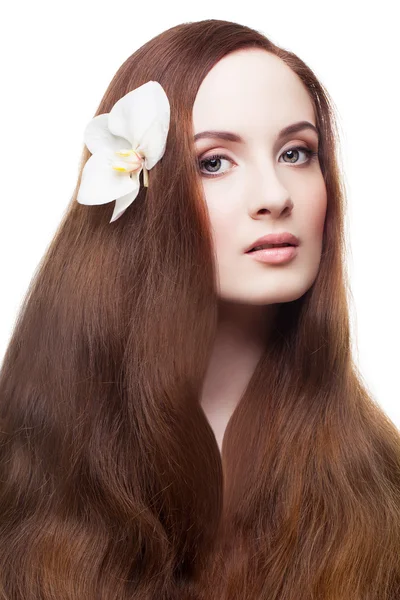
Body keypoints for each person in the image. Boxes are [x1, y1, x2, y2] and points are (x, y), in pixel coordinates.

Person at [0, 18, 399, 600]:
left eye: (296, 152)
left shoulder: (379, 486)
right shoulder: (26, 466)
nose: (275, 196)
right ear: (137, 191)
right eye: (214, 162)